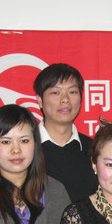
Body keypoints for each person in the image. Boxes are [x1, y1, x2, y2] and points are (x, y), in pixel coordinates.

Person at [34, 63, 97, 203]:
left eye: (72, 92)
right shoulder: (25, 149)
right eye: (55, 93)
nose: (65, 99)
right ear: (40, 100)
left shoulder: (95, 149)